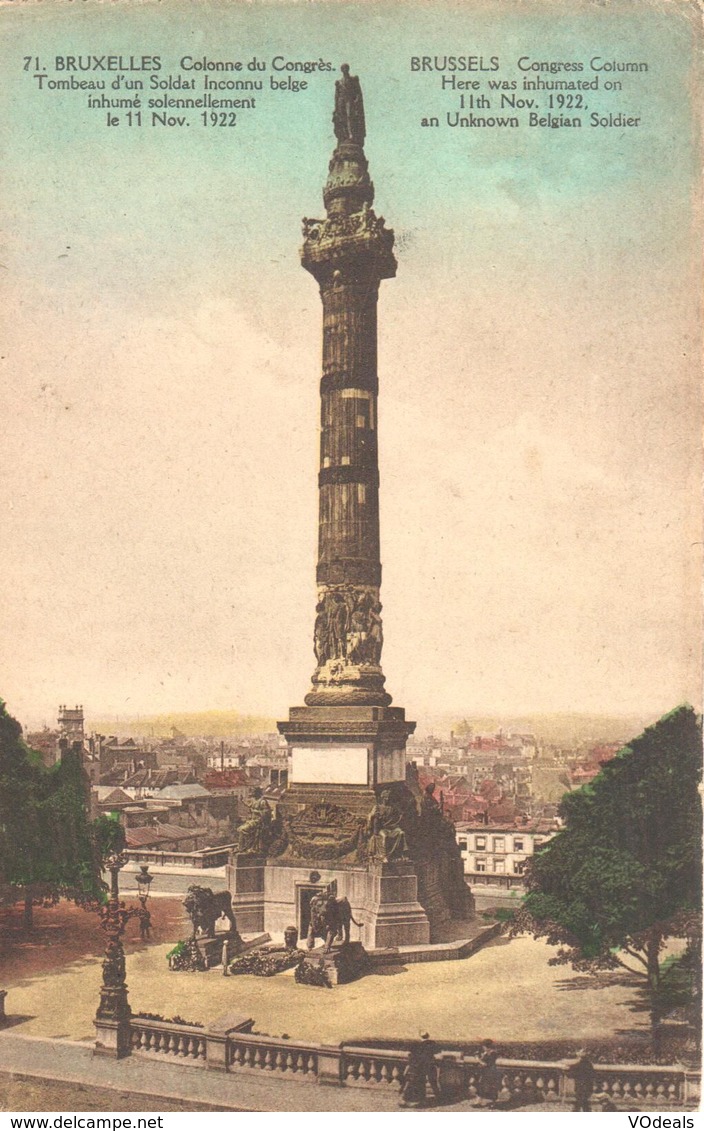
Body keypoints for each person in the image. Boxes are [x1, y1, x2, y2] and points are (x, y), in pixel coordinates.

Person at [399, 1033, 441, 1107]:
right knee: (421, 1083)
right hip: (425, 1067)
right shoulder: (432, 1044)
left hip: (415, 1067)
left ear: (420, 1036)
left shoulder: (416, 1045)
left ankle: (407, 1100)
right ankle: (418, 1101)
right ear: (428, 1036)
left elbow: (411, 1056)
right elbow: (438, 1056)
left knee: (413, 1083)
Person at [478, 1038, 501, 1103]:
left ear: (486, 1046)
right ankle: (481, 1101)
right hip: (488, 1072)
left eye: (483, 1046)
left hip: (490, 1072)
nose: (483, 1048)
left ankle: (493, 1102)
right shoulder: (489, 1053)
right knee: (484, 1086)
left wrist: (478, 1060)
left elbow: (486, 1064)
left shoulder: (492, 1053)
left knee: (490, 1087)